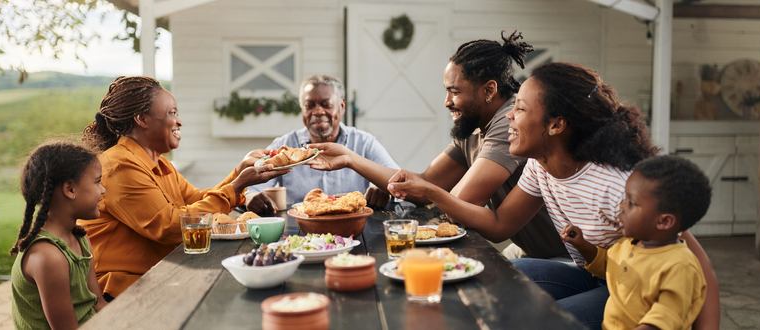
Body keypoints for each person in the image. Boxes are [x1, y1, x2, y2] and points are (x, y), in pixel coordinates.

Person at [386, 62, 719, 329]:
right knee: (486, 276)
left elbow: (696, 267)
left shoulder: (616, 184)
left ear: (556, 125)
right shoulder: (540, 165)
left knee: (539, 318)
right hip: (598, 275)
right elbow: (501, 223)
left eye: (519, 109)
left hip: (635, 294)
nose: (510, 118)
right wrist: (433, 193)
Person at [308, 30, 568, 259]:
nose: (446, 101)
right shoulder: (472, 125)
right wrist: (349, 158)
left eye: (454, 92)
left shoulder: (508, 123)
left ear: (489, 91)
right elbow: (427, 183)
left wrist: (426, 190)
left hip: (564, 255)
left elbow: (456, 202)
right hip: (530, 251)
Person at [78, 76, 288, 301]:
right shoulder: (119, 166)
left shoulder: (158, 162)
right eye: (172, 113)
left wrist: (239, 174)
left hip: (163, 275)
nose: (179, 122)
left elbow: (196, 201)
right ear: (142, 119)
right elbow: (169, 226)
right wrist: (238, 185)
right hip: (124, 291)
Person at [562, 155, 710, 330]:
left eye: (631, 203)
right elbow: (609, 265)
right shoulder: (628, 244)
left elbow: (663, 320)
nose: (621, 206)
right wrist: (583, 246)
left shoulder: (680, 266)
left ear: (664, 222)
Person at [244, 74, 400, 214]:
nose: (318, 112)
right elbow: (251, 189)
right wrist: (250, 197)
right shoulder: (283, 146)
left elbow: (400, 182)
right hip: (300, 233)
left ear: (342, 106)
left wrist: (384, 187)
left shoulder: (365, 143)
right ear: (302, 109)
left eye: (326, 104)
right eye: (309, 105)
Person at [10, 141, 108, 329]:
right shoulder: (48, 257)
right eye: (97, 181)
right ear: (70, 189)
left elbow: (98, 303)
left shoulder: (79, 238)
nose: (103, 190)